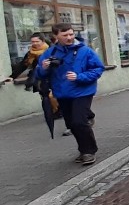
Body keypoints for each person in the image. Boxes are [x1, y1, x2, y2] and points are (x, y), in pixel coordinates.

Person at [35, 23, 105, 166]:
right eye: (65, 35)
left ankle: (89, 151)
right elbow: (39, 73)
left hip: (82, 91)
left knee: (80, 122)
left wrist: (79, 76)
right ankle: (82, 149)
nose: (69, 37)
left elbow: (98, 69)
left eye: (71, 34)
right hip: (62, 93)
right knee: (71, 124)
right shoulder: (50, 53)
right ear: (56, 36)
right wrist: (43, 68)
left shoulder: (85, 51)